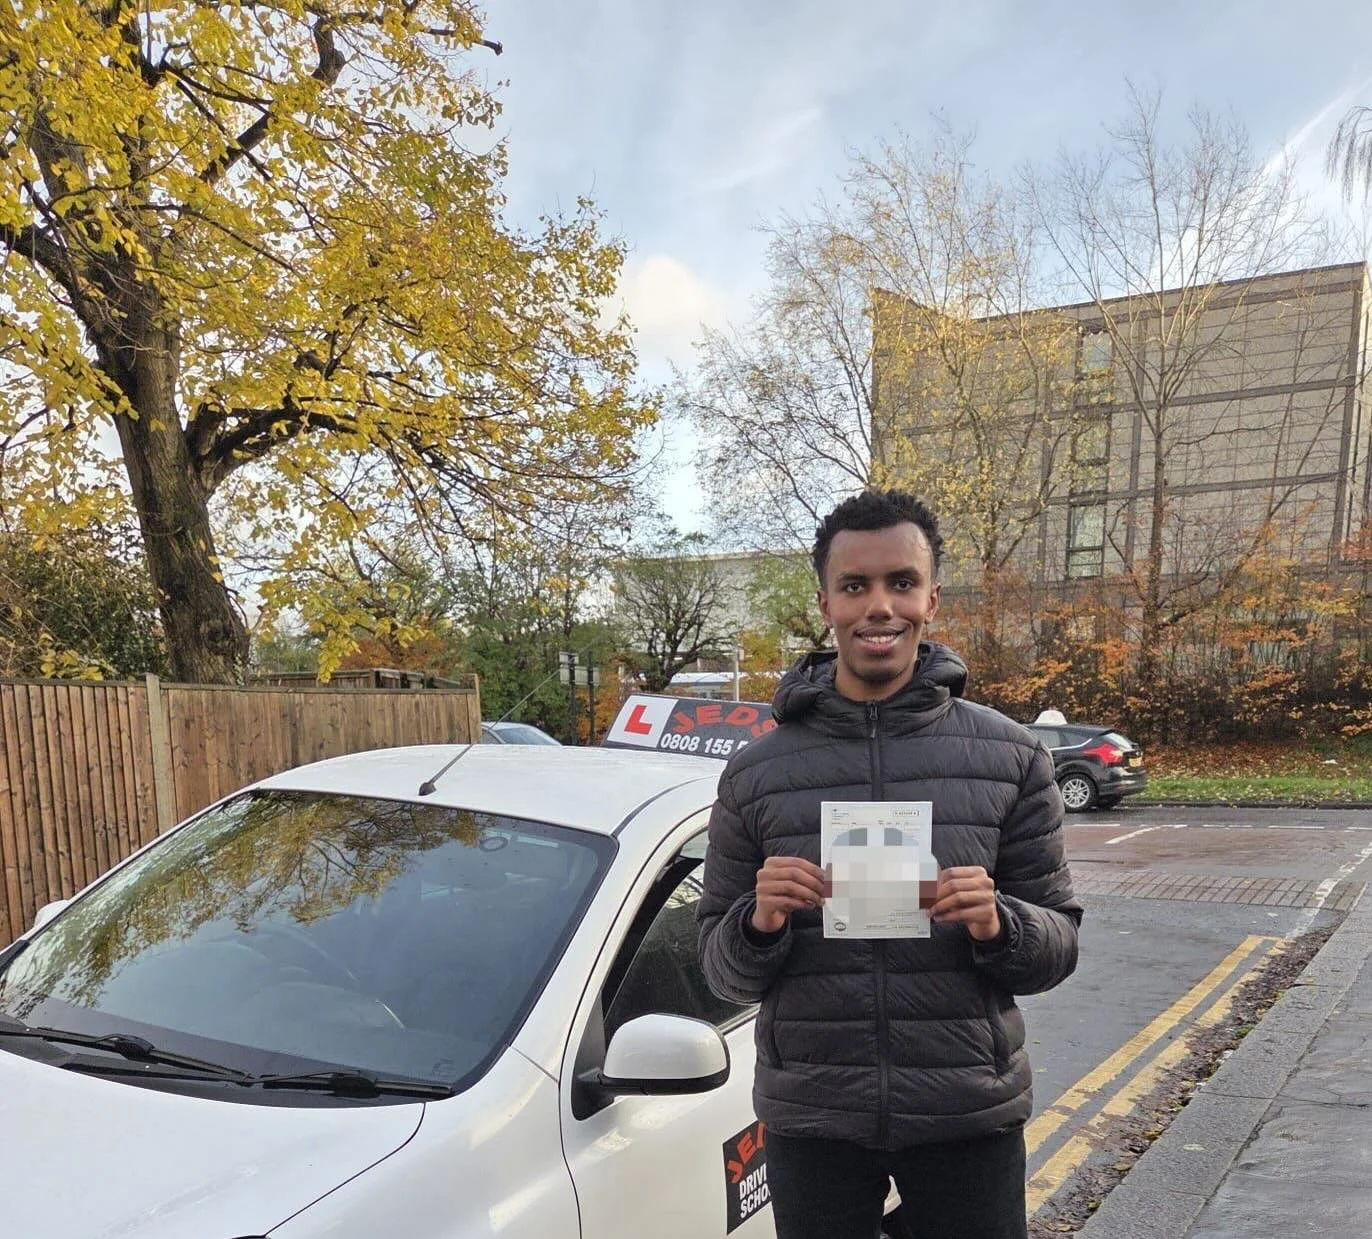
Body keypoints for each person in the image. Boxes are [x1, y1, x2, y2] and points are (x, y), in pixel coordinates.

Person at [697, 489, 1081, 1239]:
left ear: (932, 598)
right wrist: (760, 919)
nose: (880, 605)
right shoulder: (756, 774)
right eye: (856, 585)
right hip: (815, 1116)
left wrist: (1003, 924)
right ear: (826, 602)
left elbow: (1057, 945)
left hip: (966, 1110)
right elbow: (721, 969)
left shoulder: (1009, 756)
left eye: (901, 582)